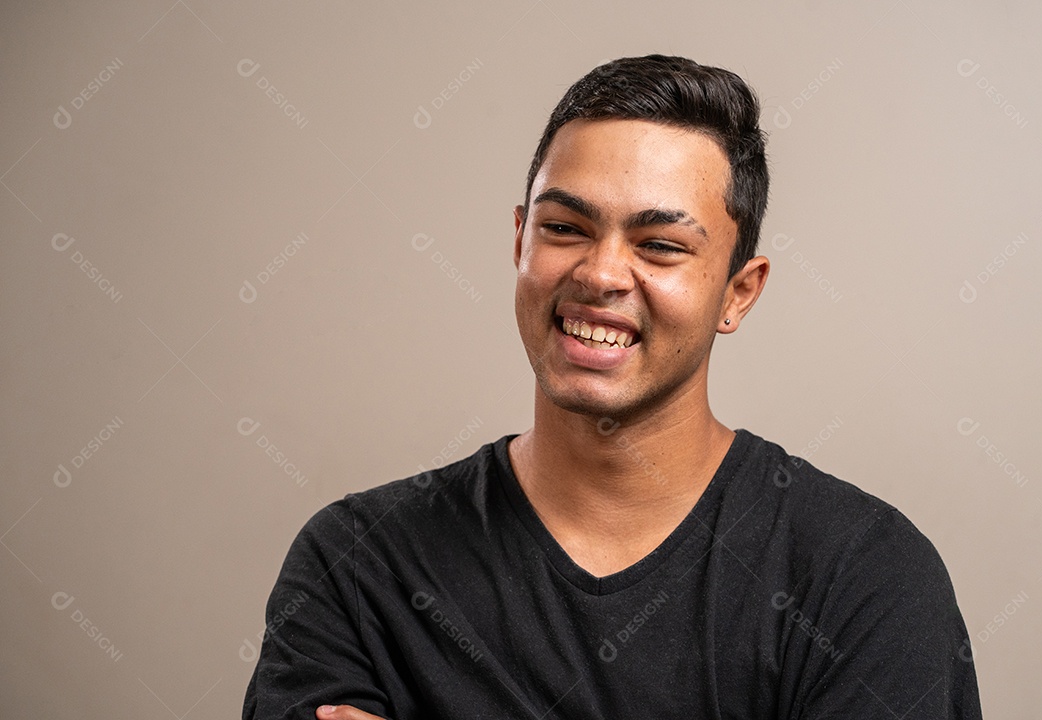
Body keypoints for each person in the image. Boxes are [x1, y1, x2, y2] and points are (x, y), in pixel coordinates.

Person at [242, 54, 982, 719]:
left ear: (738, 292)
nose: (599, 274)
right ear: (518, 241)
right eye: (563, 227)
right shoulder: (358, 565)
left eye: (660, 245)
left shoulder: (864, 577)